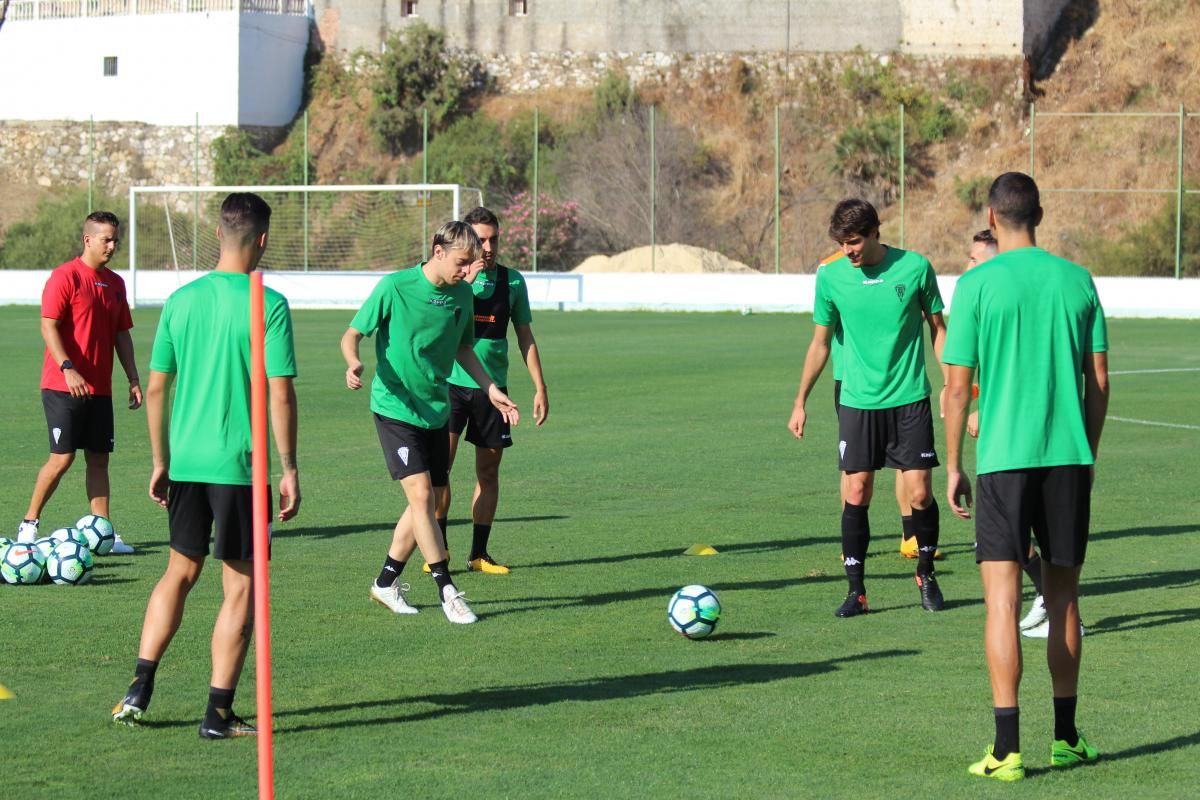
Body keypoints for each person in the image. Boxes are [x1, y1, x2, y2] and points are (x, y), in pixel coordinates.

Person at [111, 193, 301, 739]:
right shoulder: (269, 301)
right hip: (240, 468)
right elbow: (280, 394)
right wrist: (288, 468)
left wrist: (160, 460)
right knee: (238, 588)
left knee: (179, 572)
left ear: (218, 233)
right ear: (262, 239)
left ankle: (139, 687)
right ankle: (217, 714)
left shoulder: (181, 299)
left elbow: (155, 387)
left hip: (187, 464)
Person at [943, 172, 1108, 781]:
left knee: (1002, 600)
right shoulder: (1077, 280)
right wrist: (1085, 454)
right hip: (1067, 458)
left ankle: (1007, 751)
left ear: (991, 215)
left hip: (1004, 462)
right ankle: (1065, 738)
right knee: (1063, 598)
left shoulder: (976, 285)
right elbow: (1100, 382)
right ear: (1039, 213)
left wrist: (955, 464)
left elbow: (957, 387)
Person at [341, 221, 519, 625]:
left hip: (434, 409)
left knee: (428, 499)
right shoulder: (394, 287)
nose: (466, 271)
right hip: (394, 407)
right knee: (422, 495)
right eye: (461, 262)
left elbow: (463, 349)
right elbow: (351, 335)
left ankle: (386, 582)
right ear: (438, 251)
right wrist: (353, 361)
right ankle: (447, 590)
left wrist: (490, 389)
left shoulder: (461, 295)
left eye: (471, 264)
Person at [789, 198, 948, 617]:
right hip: (858, 401)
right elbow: (820, 343)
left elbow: (939, 330)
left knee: (919, 493)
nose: (849, 251)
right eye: (843, 243)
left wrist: (952, 384)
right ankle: (856, 591)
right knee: (856, 491)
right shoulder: (831, 277)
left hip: (910, 397)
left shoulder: (915, 268)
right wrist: (800, 400)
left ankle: (926, 574)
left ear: (876, 231)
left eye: (855, 241)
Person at [430, 206, 549, 575]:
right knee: (439, 472)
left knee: (489, 472)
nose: (487, 247)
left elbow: (525, 336)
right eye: (480, 239)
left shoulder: (513, 283)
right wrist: (466, 282)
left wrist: (540, 387)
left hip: (493, 391)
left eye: (493, 239)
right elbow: (438, 322)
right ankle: (439, 549)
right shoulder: (450, 281)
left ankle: (479, 554)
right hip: (451, 385)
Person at [17, 211, 139, 554]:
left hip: (100, 389)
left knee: (99, 458)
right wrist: (68, 367)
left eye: (115, 239)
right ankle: (29, 523)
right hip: (62, 385)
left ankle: (104, 534)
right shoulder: (65, 276)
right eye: (106, 239)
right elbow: (48, 326)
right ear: (88, 239)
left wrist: (132, 378)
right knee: (62, 458)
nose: (112, 246)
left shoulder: (116, 283)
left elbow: (121, 334)